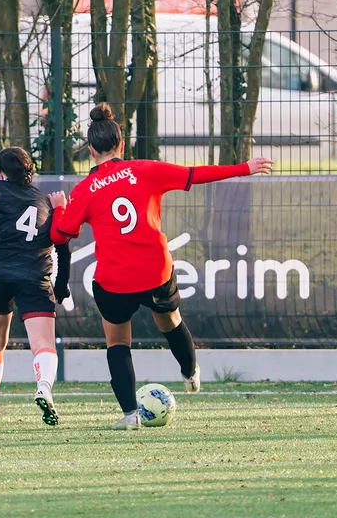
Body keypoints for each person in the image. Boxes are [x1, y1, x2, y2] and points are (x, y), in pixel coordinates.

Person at [49, 102, 274, 430]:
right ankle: (191, 372)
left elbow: (59, 234)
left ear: (91, 149)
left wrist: (59, 208)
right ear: (121, 145)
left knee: (117, 342)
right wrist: (245, 167)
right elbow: (196, 175)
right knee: (170, 322)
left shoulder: (85, 190)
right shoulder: (145, 169)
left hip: (114, 280)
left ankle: (129, 416)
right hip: (155, 270)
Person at [0, 146, 71, 427]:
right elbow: (62, 245)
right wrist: (61, 285)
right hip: (33, 274)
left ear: (1, 173)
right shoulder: (45, 201)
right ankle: (44, 388)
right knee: (43, 345)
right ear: (30, 171)